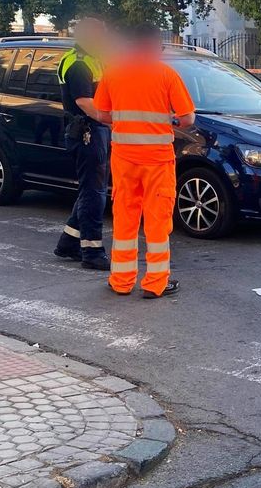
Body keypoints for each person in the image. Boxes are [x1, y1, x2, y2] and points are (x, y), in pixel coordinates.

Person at [92, 24, 196, 299]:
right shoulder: (166, 75)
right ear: (152, 46)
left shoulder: (113, 72)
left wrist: (128, 123)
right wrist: (168, 121)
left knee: (125, 219)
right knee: (157, 222)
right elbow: (187, 119)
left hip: (124, 159)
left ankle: (121, 281)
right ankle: (155, 283)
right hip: (158, 161)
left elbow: (102, 114)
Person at [54, 17, 112, 270]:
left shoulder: (92, 59)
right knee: (94, 193)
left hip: (91, 132)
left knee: (90, 190)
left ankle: (68, 242)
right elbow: (84, 102)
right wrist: (114, 120)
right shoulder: (79, 63)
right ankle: (92, 251)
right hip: (88, 132)